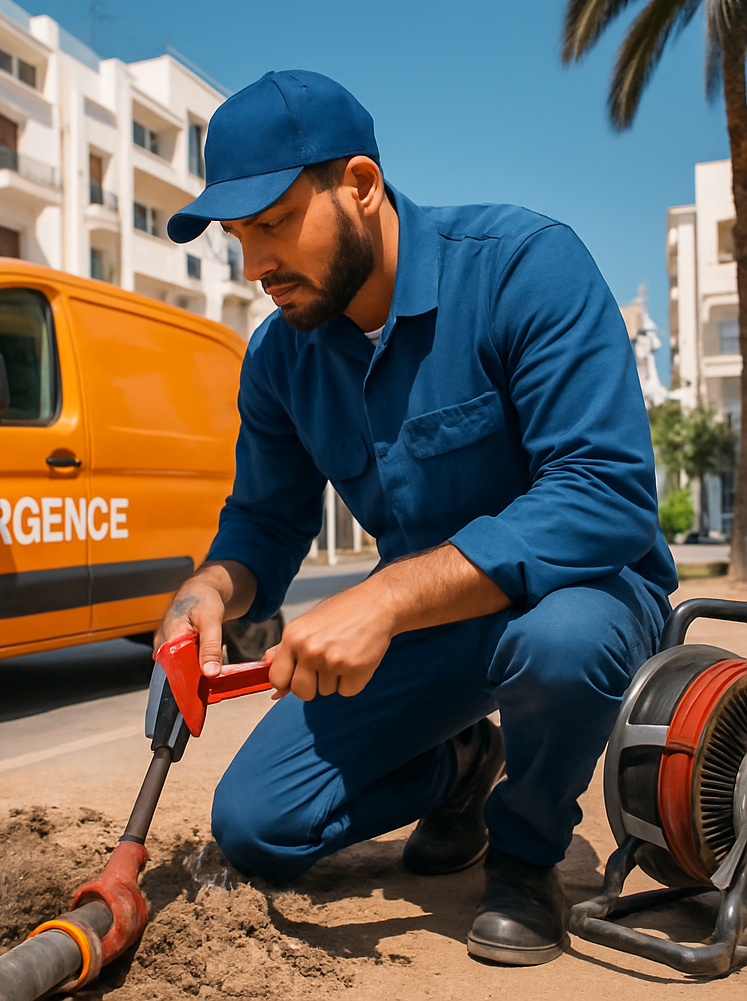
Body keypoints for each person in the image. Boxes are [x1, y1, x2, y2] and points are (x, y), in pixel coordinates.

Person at [156, 70, 677, 966]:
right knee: (256, 826)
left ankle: (525, 850)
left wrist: (387, 597)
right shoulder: (280, 359)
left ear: (360, 184)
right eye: (238, 237)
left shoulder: (524, 266)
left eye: (274, 224)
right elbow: (266, 522)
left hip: (581, 593)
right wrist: (212, 587)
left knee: (563, 643)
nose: (256, 264)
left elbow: (606, 489)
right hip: (435, 624)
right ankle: (462, 766)